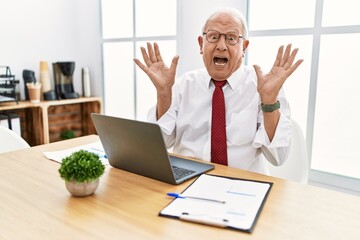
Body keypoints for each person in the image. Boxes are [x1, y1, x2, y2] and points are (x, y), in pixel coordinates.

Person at [133, 7, 303, 174]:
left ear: (244, 47)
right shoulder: (183, 84)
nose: (221, 46)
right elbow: (160, 146)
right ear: (201, 44)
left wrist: (270, 103)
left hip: (243, 186)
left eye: (231, 38)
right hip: (187, 181)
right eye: (213, 37)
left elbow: (278, 157)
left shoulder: (264, 88)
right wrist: (163, 95)